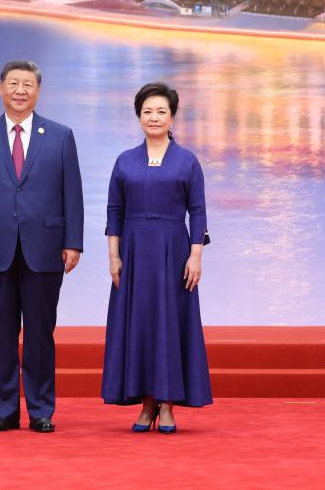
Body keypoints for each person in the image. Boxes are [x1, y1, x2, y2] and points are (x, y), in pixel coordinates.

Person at [0, 60, 83, 433]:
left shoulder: (60, 135)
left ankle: (41, 409)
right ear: (1, 88)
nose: (20, 90)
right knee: (3, 332)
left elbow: (73, 194)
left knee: (40, 333)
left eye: (27, 84)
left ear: (38, 91)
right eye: (13, 83)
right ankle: (5, 410)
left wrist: (73, 242)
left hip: (45, 247)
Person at [101, 82, 212, 433]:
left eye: (161, 111)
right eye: (147, 111)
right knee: (140, 323)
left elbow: (198, 212)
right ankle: (145, 402)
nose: (154, 117)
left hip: (173, 251)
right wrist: (114, 256)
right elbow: (114, 211)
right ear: (138, 116)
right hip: (134, 252)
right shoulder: (125, 160)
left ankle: (167, 404)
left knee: (169, 323)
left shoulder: (187, 160)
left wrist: (195, 256)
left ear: (172, 116)